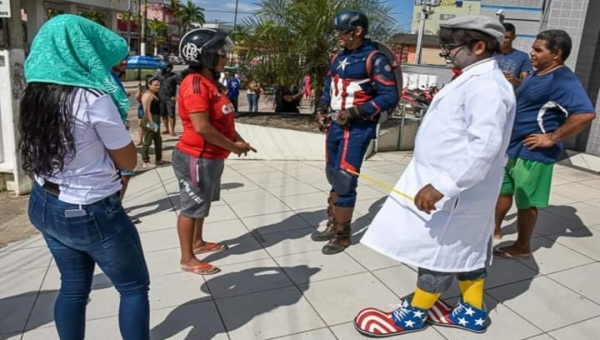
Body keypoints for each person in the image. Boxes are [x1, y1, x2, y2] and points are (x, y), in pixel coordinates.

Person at [354, 16, 515, 336]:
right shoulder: (475, 79)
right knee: (467, 249)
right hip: (463, 190)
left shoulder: (487, 87)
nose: (447, 53)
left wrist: (443, 186)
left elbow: (483, 147)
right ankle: (471, 310)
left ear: (479, 46)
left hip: (457, 190)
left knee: (439, 253)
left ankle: (414, 314)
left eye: (450, 47)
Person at [19, 14, 150, 340]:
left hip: (43, 202)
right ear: (83, 51)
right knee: (134, 287)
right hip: (90, 210)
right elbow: (128, 157)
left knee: (74, 286)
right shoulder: (92, 98)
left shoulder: (33, 93)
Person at [493, 30, 596, 256]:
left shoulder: (562, 79)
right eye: (533, 48)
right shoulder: (535, 74)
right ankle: (495, 229)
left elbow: (585, 114)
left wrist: (551, 137)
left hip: (533, 152)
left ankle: (522, 247)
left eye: (538, 50)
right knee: (503, 191)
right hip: (514, 148)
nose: (532, 53)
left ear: (557, 54)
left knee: (525, 202)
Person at [312, 9, 399, 255]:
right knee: (333, 175)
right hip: (335, 126)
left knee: (345, 179)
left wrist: (354, 113)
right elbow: (330, 86)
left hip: (356, 128)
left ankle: (342, 234)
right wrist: (320, 109)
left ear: (358, 31)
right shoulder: (338, 57)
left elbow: (389, 96)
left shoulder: (375, 59)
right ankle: (332, 224)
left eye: (342, 31)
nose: (337, 35)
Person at [174, 28, 255, 275]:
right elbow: (202, 127)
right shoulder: (196, 85)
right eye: (220, 53)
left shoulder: (211, 83)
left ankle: (198, 242)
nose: (225, 57)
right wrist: (234, 147)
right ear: (204, 56)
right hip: (196, 157)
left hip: (211, 157)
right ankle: (187, 258)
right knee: (191, 207)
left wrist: (239, 141)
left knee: (202, 204)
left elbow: (223, 122)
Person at [110, 58, 142, 224]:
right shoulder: (106, 77)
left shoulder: (114, 77)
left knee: (123, 174)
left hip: (118, 128)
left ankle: (116, 208)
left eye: (126, 58)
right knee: (123, 173)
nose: (124, 62)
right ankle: (114, 211)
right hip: (111, 132)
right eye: (120, 58)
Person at [496, 23, 533, 87]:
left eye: (507, 37)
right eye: (501, 37)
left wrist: (515, 80)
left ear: (514, 37)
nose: (503, 40)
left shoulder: (522, 57)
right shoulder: (488, 54)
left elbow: (526, 82)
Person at [140, 77, 164, 168]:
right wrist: (151, 123)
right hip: (150, 119)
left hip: (156, 119)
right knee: (148, 140)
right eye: (155, 85)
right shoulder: (147, 95)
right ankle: (145, 160)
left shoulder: (155, 94)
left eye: (158, 84)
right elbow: (146, 110)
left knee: (158, 140)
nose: (158, 86)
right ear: (149, 85)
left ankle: (159, 159)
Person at [156, 63, 180, 136]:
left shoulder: (174, 76)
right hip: (160, 97)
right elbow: (152, 83)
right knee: (163, 114)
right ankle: (166, 129)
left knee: (171, 114)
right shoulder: (158, 75)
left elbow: (182, 85)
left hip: (170, 98)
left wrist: (177, 96)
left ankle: (172, 130)